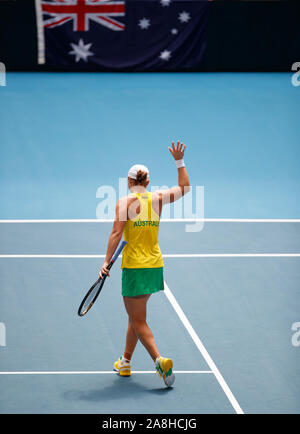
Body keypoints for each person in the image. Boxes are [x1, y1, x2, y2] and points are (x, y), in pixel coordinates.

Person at [99, 141, 190, 387]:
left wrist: (106, 262)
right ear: (147, 182)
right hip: (154, 266)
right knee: (134, 316)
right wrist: (179, 161)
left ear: (129, 182)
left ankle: (160, 361)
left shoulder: (124, 203)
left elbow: (116, 235)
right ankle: (125, 362)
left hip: (135, 268)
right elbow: (185, 187)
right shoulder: (158, 198)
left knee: (138, 320)